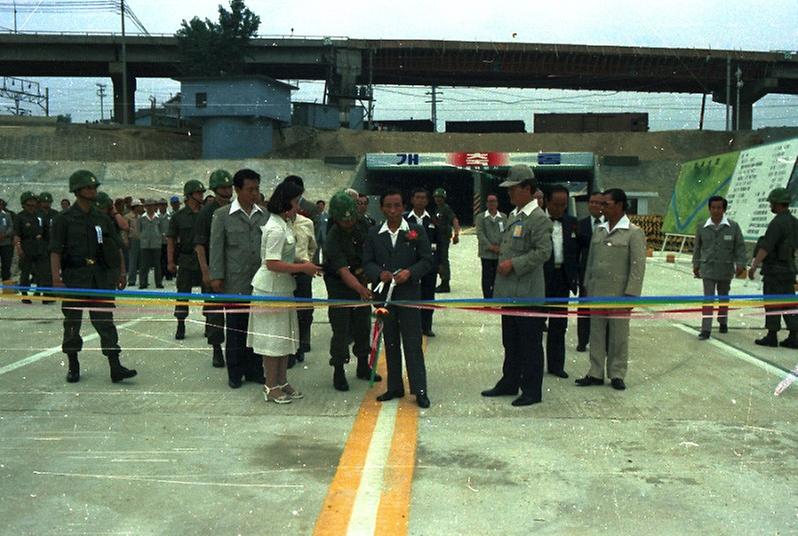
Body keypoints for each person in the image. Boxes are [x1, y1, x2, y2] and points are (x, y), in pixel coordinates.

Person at [49, 170, 136, 384]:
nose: (93, 190)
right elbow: (55, 251)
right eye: (88, 188)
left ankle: (115, 367)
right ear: (77, 191)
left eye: (94, 187)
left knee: (106, 322)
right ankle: (73, 365)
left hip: (100, 277)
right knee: (72, 323)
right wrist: (56, 280)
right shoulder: (64, 219)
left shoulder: (102, 218)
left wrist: (122, 272)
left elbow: (115, 247)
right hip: (74, 278)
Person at [480, 165, 552, 407]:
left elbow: (543, 252)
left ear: (528, 189)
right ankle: (510, 381)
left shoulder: (539, 218)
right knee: (510, 341)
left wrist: (514, 263)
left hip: (528, 293)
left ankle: (532, 390)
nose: (509, 193)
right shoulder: (514, 215)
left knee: (530, 345)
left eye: (513, 189)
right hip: (510, 292)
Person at [249, 180, 319, 404]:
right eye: (296, 201)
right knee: (272, 341)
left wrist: (305, 264)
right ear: (286, 202)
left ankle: (282, 380)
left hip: (283, 288)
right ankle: (270, 386)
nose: (299, 206)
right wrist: (302, 268)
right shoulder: (275, 228)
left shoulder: (285, 223)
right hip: (269, 289)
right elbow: (272, 263)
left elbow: (286, 257)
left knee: (284, 338)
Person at [363, 189, 433, 408]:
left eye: (397, 206)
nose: (393, 211)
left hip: (409, 296)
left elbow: (427, 260)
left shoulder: (416, 230)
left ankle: (419, 390)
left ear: (404, 207)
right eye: (388, 206)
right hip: (385, 298)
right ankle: (394, 387)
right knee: (391, 343)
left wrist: (410, 273)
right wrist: (378, 274)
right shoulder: (374, 233)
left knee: (413, 343)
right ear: (382, 208)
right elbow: (367, 262)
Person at [576, 188, 646, 391]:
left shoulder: (633, 232)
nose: (601, 207)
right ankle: (595, 372)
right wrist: (587, 286)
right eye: (600, 204)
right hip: (597, 292)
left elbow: (637, 267)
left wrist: (631, 295)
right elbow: (590, 261)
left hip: (619, 295)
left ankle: (617, 373)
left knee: (618, 337)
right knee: (596, 334)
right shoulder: (600, 230)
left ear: (620, 205)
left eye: (606, 204)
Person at [209, 168, 268, 389]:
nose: (254, 194)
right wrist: (216, 276)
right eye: (250, 189)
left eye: (257, 189)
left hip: (259, 283)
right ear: (237, 190)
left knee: (255, 328)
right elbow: (216, 247)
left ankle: (254, 370)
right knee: (235, 328)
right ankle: (235, 373)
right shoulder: (222, 216)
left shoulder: (264, 214)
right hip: (234, 282)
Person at [323, 191, 381, 391]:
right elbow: (343, 271)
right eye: (344, 220)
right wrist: (360, 288)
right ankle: (338, 370)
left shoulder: (364, 225)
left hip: (361, 282)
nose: (348, 223)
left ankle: (363, 366)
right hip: (340, 285)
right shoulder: (332, 236)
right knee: (341, 330)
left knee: (362, 325)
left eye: (351, 219)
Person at [748, 187, 798, 348]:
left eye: (772, 203)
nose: (770, 206)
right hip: (789, 270)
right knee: (789, 303)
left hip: (774, 271)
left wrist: (754, 266)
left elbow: (766, 247)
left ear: (777, 203)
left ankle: (772, 335)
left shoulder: (777, 223)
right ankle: (794, 335)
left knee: (772, 302)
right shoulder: (794, 222)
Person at [692, 195, 747, 340]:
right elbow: (697, 248)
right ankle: (706, 329)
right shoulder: (702, 226)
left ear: (724, 209)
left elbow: (740, 247)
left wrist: (741, 264)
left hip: (725, 269)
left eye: (719, 208)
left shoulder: (733, 227)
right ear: (709, 209)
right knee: (708, 299)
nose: (716, 211)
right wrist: (696, 265)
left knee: (724, 298)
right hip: (708, 269)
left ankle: (723, 321)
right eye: (713, 208)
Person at [194, 169, 233, 368]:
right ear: (216, 190)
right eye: (223, 187)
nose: (227, 191)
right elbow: (200, 245)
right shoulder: (207, 212)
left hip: (234, 270)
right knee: (215, 314)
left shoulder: (235, 208)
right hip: (213, 269)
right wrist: (206, 272)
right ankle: (217, 350)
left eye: (229, 186)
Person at [543, 185, 579, 378]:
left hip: (562, 279)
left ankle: (556, 365)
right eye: (556, 205)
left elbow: (577, 252)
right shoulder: (539, 222)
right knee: (537, 323)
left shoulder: (572, 223)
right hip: (541, 280)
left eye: (563, 205)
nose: (560, 209)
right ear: (547, 202)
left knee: (558, 324)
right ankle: (535, 364)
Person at [283, 175, 317, 366]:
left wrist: (308, 262)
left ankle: (301, 344)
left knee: (305, 311)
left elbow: (312, 246)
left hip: (303, 273)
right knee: (285, 312)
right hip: (284, 272)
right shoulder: (278, 220)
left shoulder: (307, 221)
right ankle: (288, 350)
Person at [167, 180, 206, 341]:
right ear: (190, 195)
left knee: (209, 294)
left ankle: (210, 324)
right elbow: (171, 239)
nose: (201, 195)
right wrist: (170, 261)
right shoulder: (178, 217)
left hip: (205, 260)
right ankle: (181, 323)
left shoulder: (207, 214)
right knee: (183, 294)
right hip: (186, 259)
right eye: (198, 193)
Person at [404, 187, 441, 337]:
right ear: (412, 200)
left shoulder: (433, 219)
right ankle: (409, 326)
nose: (420, 200)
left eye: (423, 198)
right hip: (410, 266)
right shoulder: (405, 220)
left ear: (427, 201)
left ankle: (426, 326)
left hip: (429, 266)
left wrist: (440, 263)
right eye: (417, 197)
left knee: (428, 296)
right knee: (409, 296)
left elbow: (440, 242)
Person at [575, 192, 604, 352]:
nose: (594, 205)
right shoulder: (581, 225)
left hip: (604, 275)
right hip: (586, 273)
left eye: (598, 202)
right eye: (592, 202)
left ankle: (601, 342)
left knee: (602, 309)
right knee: (584, 308)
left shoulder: (609, 225)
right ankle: (582, 340)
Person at [14, 192, 50, 304]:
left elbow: (46, 231)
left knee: (43, 273)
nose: (32, 206)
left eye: (34, 204)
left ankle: (44, 294)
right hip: (26, 247)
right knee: (25, 273)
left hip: (40, 247)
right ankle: (25, 295)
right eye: (29, 204)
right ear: (23, 204)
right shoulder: (20, 216)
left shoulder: (41, 214)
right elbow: (17, 234)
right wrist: (19, 248)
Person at [475, 193, 507, 299]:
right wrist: (491, 247)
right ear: (486, 203)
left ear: (497, 203)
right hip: (486, 253)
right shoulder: (480, 218)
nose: (492, 203)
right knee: (487, 277)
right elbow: (480, 234)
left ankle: (496, 296)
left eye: (494, 201)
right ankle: (487, 298)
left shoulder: (503, 217)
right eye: (490, 201)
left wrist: (501, 247)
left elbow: (507, 233)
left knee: (498, 276)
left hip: (500, 253)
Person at [432, 187, 460, 293]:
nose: (437, 199)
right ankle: (443, 281)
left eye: (440, 197)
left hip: (444, 238)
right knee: (438, 260)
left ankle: (445, 283)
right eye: (436, 197)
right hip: (438, 238)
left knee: (444, 260)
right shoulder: (437, 209)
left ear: (444, 198)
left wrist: (456, 234)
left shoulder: (446, 208)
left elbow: (454, 220)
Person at [137, 199, 163, 289]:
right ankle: (143, 283)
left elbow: (161, 229)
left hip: (156, 244)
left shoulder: (158, 217)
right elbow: (139, 230)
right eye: (148, 206)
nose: (150, 208)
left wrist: (159, 237)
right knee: (144, 265)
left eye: (151, 205)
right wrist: (142, 238)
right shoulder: (141, 218)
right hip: (145, 244)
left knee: (157, 265)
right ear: (145, 207)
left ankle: (158, 282)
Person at [125, 199, 143, 286]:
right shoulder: (128, 217)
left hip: (141, 240)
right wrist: (126, 240)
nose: (141, 208)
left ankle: (142, 280)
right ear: (135, 207)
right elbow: (124, 231)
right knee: (133, 260)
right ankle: (131, 280)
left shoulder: (140, 217)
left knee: (142, 261)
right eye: (140, 206)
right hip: (132, 239)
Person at [0, 198, 13, 289]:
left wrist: (5, 235)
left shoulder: (7, 215)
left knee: (6, 265)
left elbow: (11, 227)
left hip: (5, 244)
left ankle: (6, 287)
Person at [158, 199, 172, 280]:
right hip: (159, 241)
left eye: (163, 205)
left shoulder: (170, 216)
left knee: (168, 257)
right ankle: (161, 274)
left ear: (166, 205)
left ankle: (169, 274)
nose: (162, 206)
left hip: (168, 241)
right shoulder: (156, 216)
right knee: (160, 259)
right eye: (161, 205)